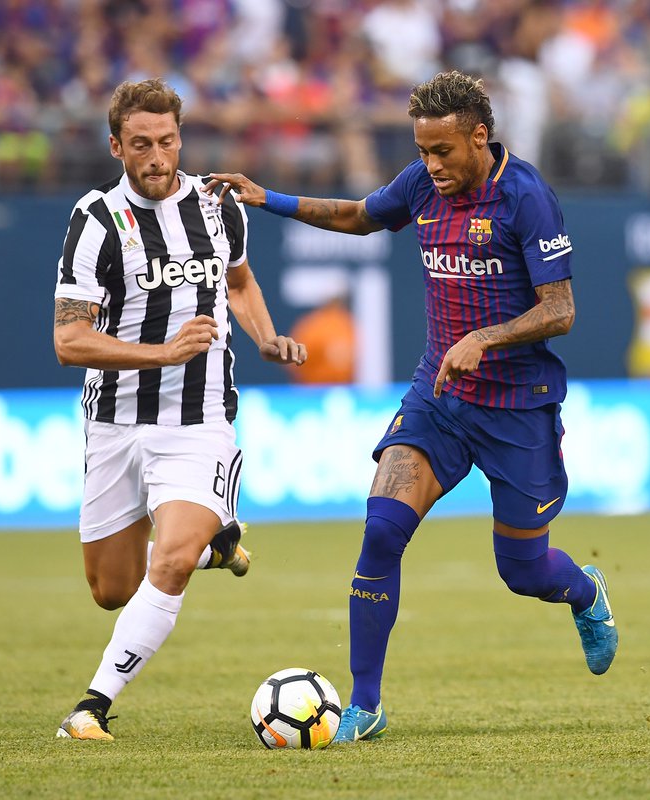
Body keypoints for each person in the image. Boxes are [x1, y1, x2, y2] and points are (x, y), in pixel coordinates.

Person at [206, 69, 617, 743]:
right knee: (382, 530)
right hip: (440, 397)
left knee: (522, 571)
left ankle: (584, 590)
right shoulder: (423, 186)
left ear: (479, 136)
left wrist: (485, 337)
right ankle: (365, 705)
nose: (431, 165)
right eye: (422, 151)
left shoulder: (525, 197)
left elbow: (561, 310)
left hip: (518, 406)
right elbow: (357, 217)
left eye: (442, 151)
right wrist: (267, 198)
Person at [52, 78, 306, 740]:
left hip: (200, 421)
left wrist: (266, 336)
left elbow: (239, 283)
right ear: (116, 147)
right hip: (114, 422)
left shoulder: (219, 207)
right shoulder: (96, 220)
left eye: (167, 141)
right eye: (141, 144)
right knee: (111, 590)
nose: (157, 156)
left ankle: (92, 706)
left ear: (180, 138)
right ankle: (211, 546)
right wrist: (162, 354)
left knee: (167, 563)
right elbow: (69, 340)